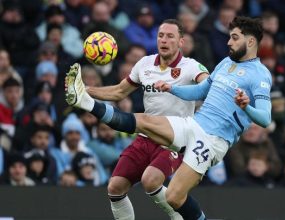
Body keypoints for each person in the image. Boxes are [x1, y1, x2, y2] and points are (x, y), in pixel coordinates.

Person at [66, 16, 271, 220]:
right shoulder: (226, 63)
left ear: (250, 41)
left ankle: (84, 100)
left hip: (213, 141)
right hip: (192, 125)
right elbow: (200, 91)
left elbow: (265, 118)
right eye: (160, 35)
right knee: (143, 124)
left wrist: (247, 107)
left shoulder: (260, 75)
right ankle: (84, 101)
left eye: (234, 38)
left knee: (173, 197)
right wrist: (173, 89)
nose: (229, 42)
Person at [67, 19, 209, 220]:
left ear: (181, 42)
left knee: (150, 180)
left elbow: (208, 85)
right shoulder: (145, 64)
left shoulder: (191, 67)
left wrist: (179, 89)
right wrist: (86, 90)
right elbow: (118, 92)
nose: (164, 40)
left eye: (170, 36)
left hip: (175, 141)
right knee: (115, 187)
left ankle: (180, 218)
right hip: (146, 136)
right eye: (161, 35)